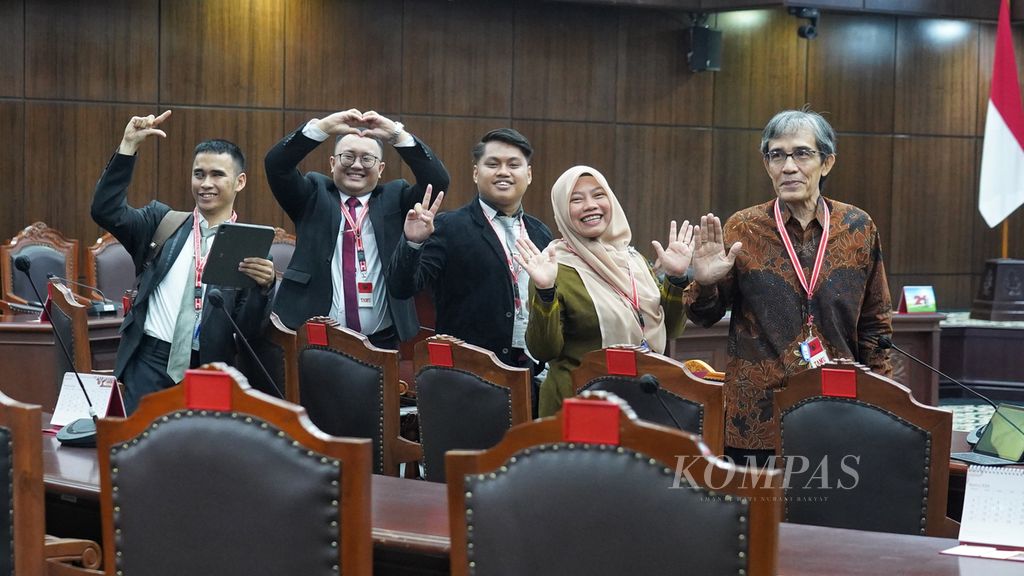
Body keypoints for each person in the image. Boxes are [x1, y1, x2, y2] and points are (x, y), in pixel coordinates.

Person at [685, 108, 892, 464]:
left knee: (827, 514)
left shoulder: (858, 227)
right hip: (757, 417)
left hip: (839, 409)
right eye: (776, 155)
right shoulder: (743, 228)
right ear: (767, 165)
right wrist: (705, 284)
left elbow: (876, 324)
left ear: (826, 163)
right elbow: (705, 316)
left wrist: (882, 403)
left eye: (802, 153)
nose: (788, 166)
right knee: (757, 515)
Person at [92, 110, 276, 413]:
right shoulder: (160, 223)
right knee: (142, 452)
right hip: (149, 362)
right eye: (199, 174)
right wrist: (128, 147)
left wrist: (264, 288)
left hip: (211, 368)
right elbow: (105, 210)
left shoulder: (250, 249)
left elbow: (249, 332)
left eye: (217, 174)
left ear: (239, 182)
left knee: (197, 458)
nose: (206, 183)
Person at [515, 166, 695, 416]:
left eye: (599, 195)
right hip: (577, 407)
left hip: (641, 400)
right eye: (576, 199)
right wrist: (545, 290)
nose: (590, 205)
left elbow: (671, 330)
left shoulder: (634, 261)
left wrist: (676, 279)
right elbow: (543, 351)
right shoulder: (554, 268)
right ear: (562, 212)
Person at [265, 109, 449, 349]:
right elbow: (276, 165)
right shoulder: (312, 195)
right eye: (348, 156)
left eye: (367, 159)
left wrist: (397, 135)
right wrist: (323, 127)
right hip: (313, 334)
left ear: (381, 169)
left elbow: (437, 180)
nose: (357, 165)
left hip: (381, 338)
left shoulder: (396, 199)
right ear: (332, 163)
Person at [388, 128, 552, 397]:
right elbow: (402, 288)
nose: (503, 172)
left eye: (513, 165)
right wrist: (412, 242)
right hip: (467, 376)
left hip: (531, 373)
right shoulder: (448, 227)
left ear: (529, 174)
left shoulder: (540, 233)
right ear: (476, 173)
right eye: (492, 164)